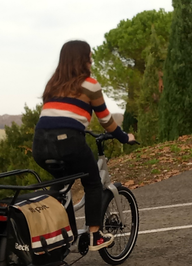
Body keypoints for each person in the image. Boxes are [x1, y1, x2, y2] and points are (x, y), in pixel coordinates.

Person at [32, 40, 134, 251]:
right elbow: (106, 120)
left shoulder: (52, 85)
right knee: (93, 183)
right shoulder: (90, 84)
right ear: (82, 59)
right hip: (68, 142)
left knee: (61, 185)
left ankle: (62, 234)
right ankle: (95, 235)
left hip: (40, 143)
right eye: (89, 56)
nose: (92, 60)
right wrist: (124, 137)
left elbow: (57, 116)